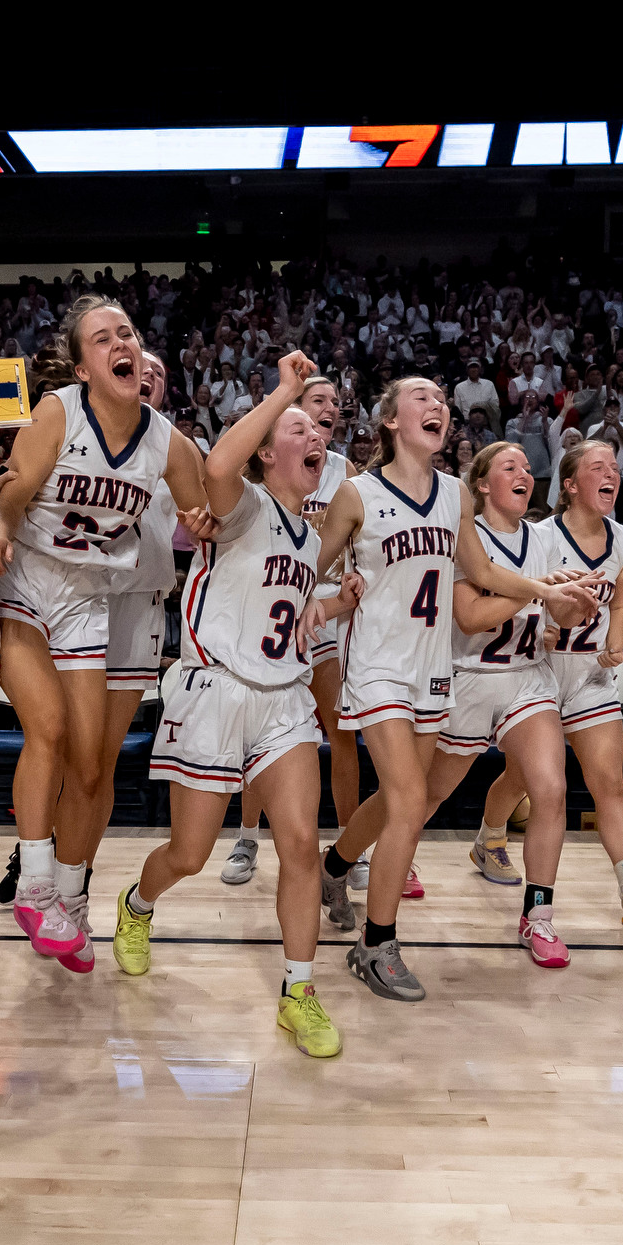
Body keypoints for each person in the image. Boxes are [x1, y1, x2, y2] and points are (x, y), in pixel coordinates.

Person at [304, 378, 597, 1003]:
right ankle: (376, 943)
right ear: (389, 422)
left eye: (442, 399)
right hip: (379, 664)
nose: (437, 405)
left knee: (398, 799)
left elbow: (483, 572)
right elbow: (310, 568)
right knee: (411, 802)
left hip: (434, 669)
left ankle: (334, 869)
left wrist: (546, 592)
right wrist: (331, 604)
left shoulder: (454, 494)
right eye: (421, 398)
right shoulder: (358, 494)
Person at [120, 351, 359, 1057]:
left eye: (316, 431)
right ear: (265, 451)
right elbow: (218, 469)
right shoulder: (239, 504)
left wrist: (334, 603)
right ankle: (137, 907)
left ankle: (298, 991)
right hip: (216, 688)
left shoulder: (309, 534)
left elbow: (285, 609)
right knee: (190, 854)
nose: (315, 435)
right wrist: (284, 389)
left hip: (283, 696)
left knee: (300, 850)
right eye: (296, 429)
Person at [0, 308, 206, 974]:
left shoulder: (167, 442)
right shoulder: (58, 411)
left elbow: (207, 509)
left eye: (129, 334)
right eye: (105, 338)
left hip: (90, 595)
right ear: (83, 368)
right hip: (26, 576)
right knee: (46, 728)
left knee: (89, 764)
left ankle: (68, 897)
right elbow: (17, 491)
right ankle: (35, 886)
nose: (123, 344)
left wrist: (205, 516)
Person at [477, 441, 623, 930]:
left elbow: (621, 604)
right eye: (598, 467)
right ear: (569, 484)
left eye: (615, 467)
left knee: (608, 782)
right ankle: (490, 837)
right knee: (523, 779)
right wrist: (544, 624)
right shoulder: (540, 536)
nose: (612, 473)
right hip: (538, 669)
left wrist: (615, 642)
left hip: (589, 673)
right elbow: (522, 601)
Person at [220, 375, 366, 894]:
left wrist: (345, 591)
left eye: (333, 404)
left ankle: (352, 844)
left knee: (339, 729)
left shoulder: (344, 472)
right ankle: (247, 835)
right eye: (316, 402)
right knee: (261, 726)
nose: (329, 410)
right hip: (269, 608)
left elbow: (352, 545)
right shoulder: (265, 479)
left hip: (319, 610)